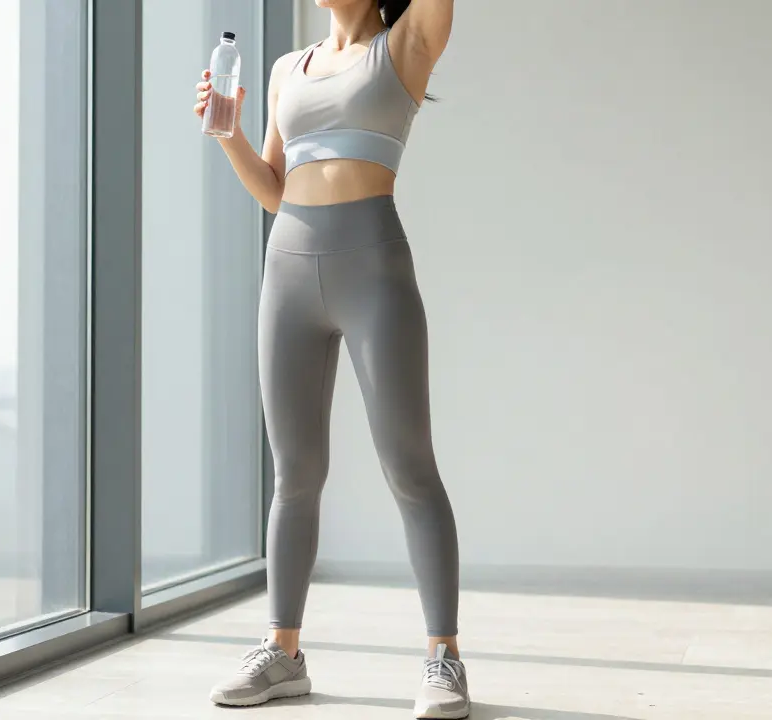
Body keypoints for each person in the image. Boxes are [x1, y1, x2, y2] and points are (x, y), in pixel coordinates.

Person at [193, 1, 465, 717]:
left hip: (373, 272)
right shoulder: (288, 68)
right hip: (287, 273)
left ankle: (444, 659)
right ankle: (282, 652)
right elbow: (274, 190)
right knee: (294, 475)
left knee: (410, 466)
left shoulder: (404, 46)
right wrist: (229, 135)